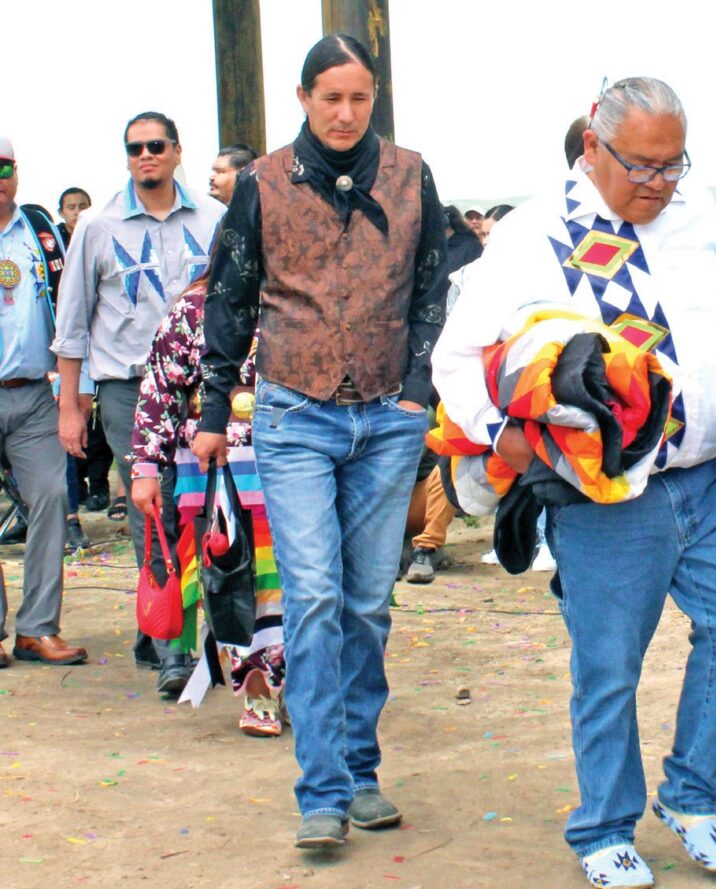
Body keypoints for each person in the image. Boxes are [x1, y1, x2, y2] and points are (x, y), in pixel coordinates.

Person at [433, 77, 716, 888]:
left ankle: (693, 794)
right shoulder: (532, 233)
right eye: (640, 166)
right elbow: (455, 357)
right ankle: (603, 827)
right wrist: (503, 436)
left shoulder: (695, 219)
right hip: (604, 491)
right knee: (610, 662)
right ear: (592, 146)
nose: (658, 183)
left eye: (673, 165)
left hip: (706, 475)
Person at [193, 34, 447, 848]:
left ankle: (363, 770)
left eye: (359, 97)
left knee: (368, 602)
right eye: (330, 97)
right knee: (313, 595)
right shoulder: (264, 182)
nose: (345, 113)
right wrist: (208, 410)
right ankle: (323, 789)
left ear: (374, 99)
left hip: (386, 419)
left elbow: (434, 286)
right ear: (303, 98)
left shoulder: (412, 176)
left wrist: (417, 394)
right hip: (294, 413)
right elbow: (229, 297)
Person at [52, 111, 225, 696]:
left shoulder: (216, 219)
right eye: (134, 149)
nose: (145, 156)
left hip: (207, 389)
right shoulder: (97, 229)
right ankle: (170, 643)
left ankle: (200, 633)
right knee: (157, 510)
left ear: (177, 151)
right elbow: (71, 323)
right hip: (128, 390)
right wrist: (70, 407)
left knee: (212, 512)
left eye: (155, 146)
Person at [130, 272, 286, 736]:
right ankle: (258, 693)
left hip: (302, 459)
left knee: (306, 577)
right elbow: (160, 390)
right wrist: (145, 468)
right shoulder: (195, 309)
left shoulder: (305, 304)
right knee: (239, 581)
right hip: (220, 467)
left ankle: (303, 687)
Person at [0, 135, 88, 667]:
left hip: (33, 393)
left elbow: (70, 308)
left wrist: (72, 393)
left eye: (4, 166)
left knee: (52, 497)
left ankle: (35, 629)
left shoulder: (42, 233)